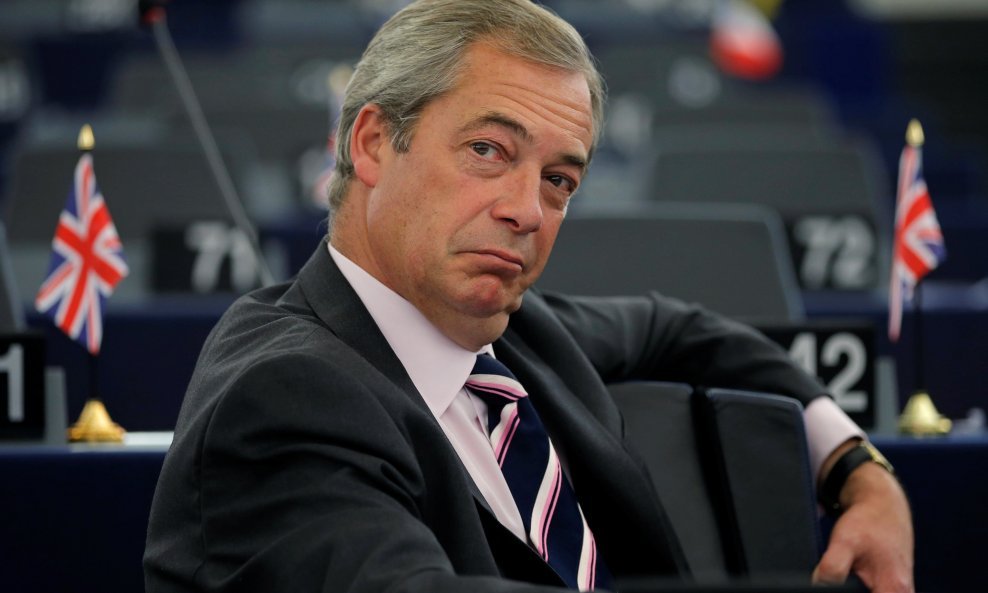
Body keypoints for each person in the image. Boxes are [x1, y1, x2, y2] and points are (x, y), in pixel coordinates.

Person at [144, 1, 913, 591]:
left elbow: (682, 330)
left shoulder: (513, 333)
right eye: (488, 151)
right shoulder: (280, 397)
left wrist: (857, 467)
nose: (528, 210)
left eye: (559, 180)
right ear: (373, 143)